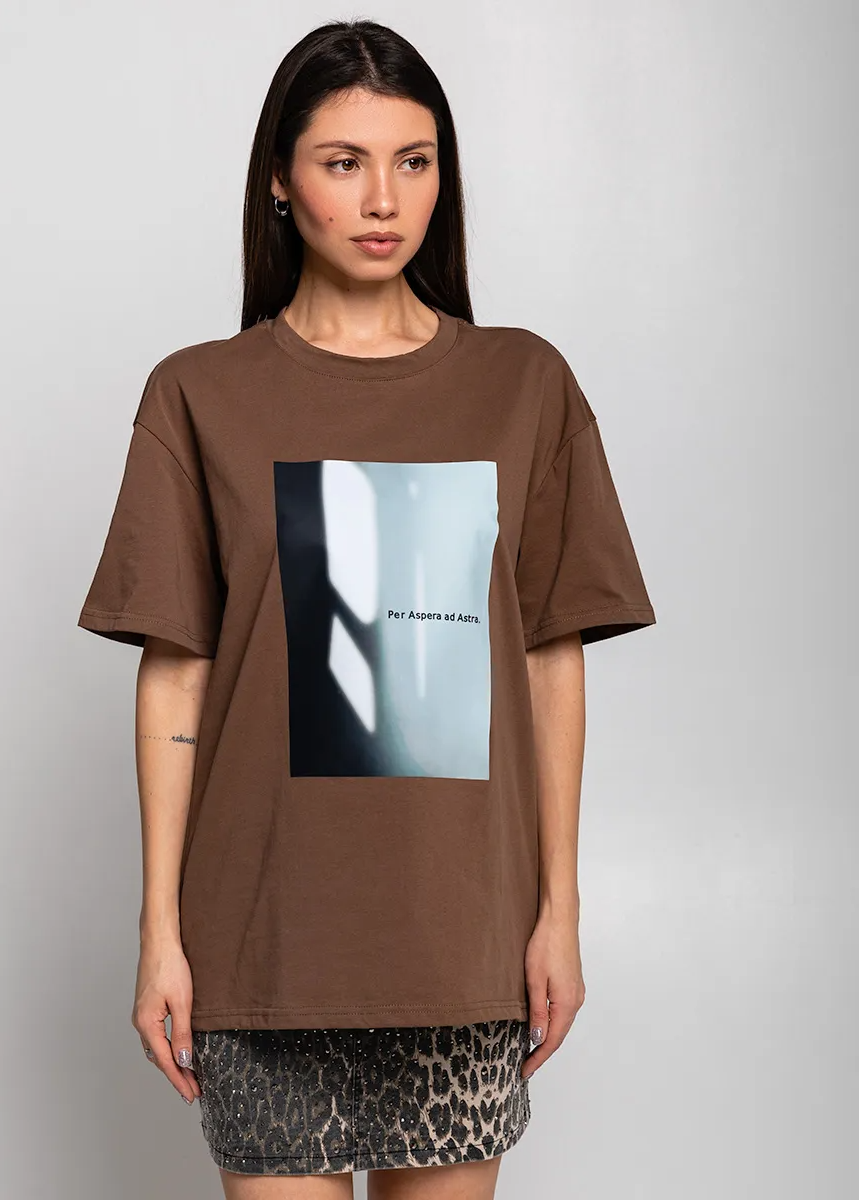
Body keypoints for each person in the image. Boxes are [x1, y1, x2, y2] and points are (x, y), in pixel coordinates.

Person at [76, 18, 656, 1199]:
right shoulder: (198, 395)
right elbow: (177, 674)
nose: (383, 199)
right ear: (279, 183)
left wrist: (558, 911)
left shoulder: (522, 386)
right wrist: (159, 933)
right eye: (342, 162)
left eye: (413, 160)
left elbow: (549, 659)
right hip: (263, 942)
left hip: (460, 941)